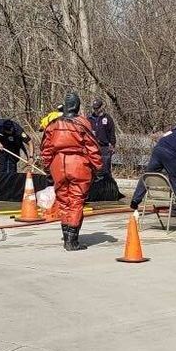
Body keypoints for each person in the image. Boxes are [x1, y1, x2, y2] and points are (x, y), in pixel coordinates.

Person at [40, 92, 103, 251]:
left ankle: (66, 235)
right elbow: (92, 147)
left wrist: (48, 167)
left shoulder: (53, 124)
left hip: (58, 165)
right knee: (76, 201)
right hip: (78, 164)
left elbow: (46, 149)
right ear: (77, 106)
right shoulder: (82, 123)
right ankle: (72, 240)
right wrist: (98, 167)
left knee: (63, 200)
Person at [88, 97, 117, 176]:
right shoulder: (89, 119)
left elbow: (112, 132)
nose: (96, 110)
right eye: (94, 108)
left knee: (105, 169)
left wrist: (113, 145)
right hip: (93, 147)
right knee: (94, 169)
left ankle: (107, 185)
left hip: (105, 147)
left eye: (97, 108)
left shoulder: (107, 118)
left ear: (101, 107)